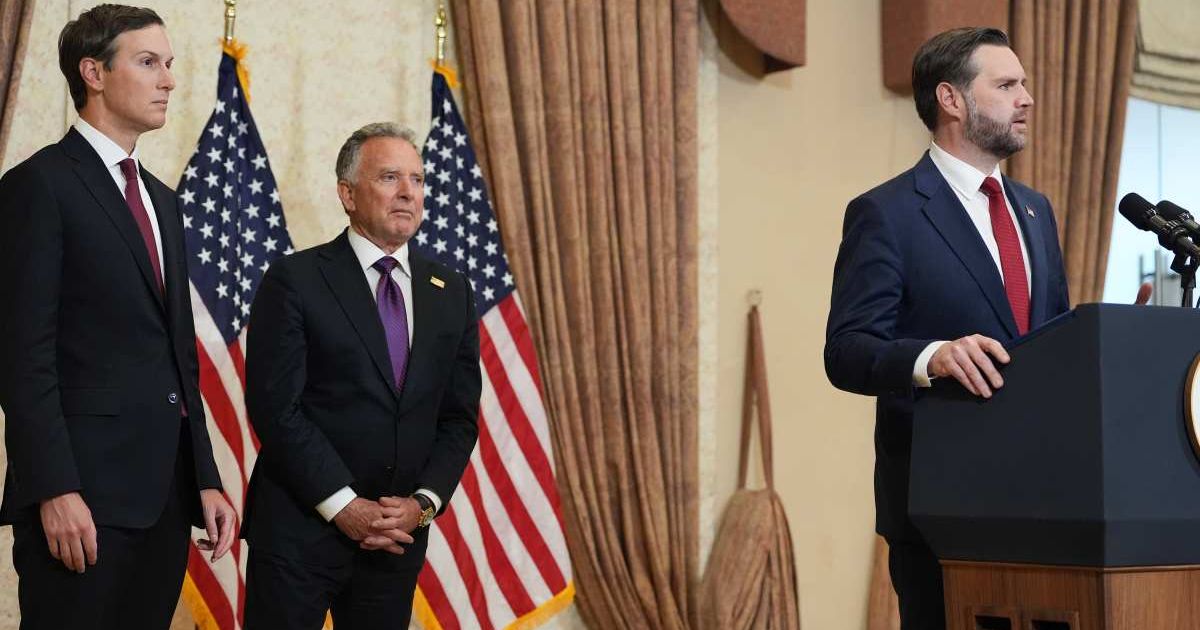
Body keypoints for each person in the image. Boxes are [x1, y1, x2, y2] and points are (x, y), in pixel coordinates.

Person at [824, 27, 1071, 629]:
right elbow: (847, 350)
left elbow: (1051, 342)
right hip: (941, 507)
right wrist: (930, 358)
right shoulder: (888, 213)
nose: (1027, 98)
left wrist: (1105, 338)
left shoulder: (1036, 212)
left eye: (1025, 84)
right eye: (1007, 84)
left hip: (1046, 502)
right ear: (952, 100)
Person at [0, 5, 236, 629]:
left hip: (163, 498)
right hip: (80, 499)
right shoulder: (38, 186)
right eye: (148, 62)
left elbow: (179, 355)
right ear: (94, 73)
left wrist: (204, 478)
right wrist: (53, 488)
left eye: (170, 65)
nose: (169, 80)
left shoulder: (163, 199)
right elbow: (22, 357)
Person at [242, 122, 481, 629]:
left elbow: (458, 419)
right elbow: (276, 409)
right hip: (299, 533)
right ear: (347, 194)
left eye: (416, 180)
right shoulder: (297, 279)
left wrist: (422, 505)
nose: (407, 193)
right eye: (389, 177)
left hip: (395, 541)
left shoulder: (451, 291)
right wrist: (344, 505)